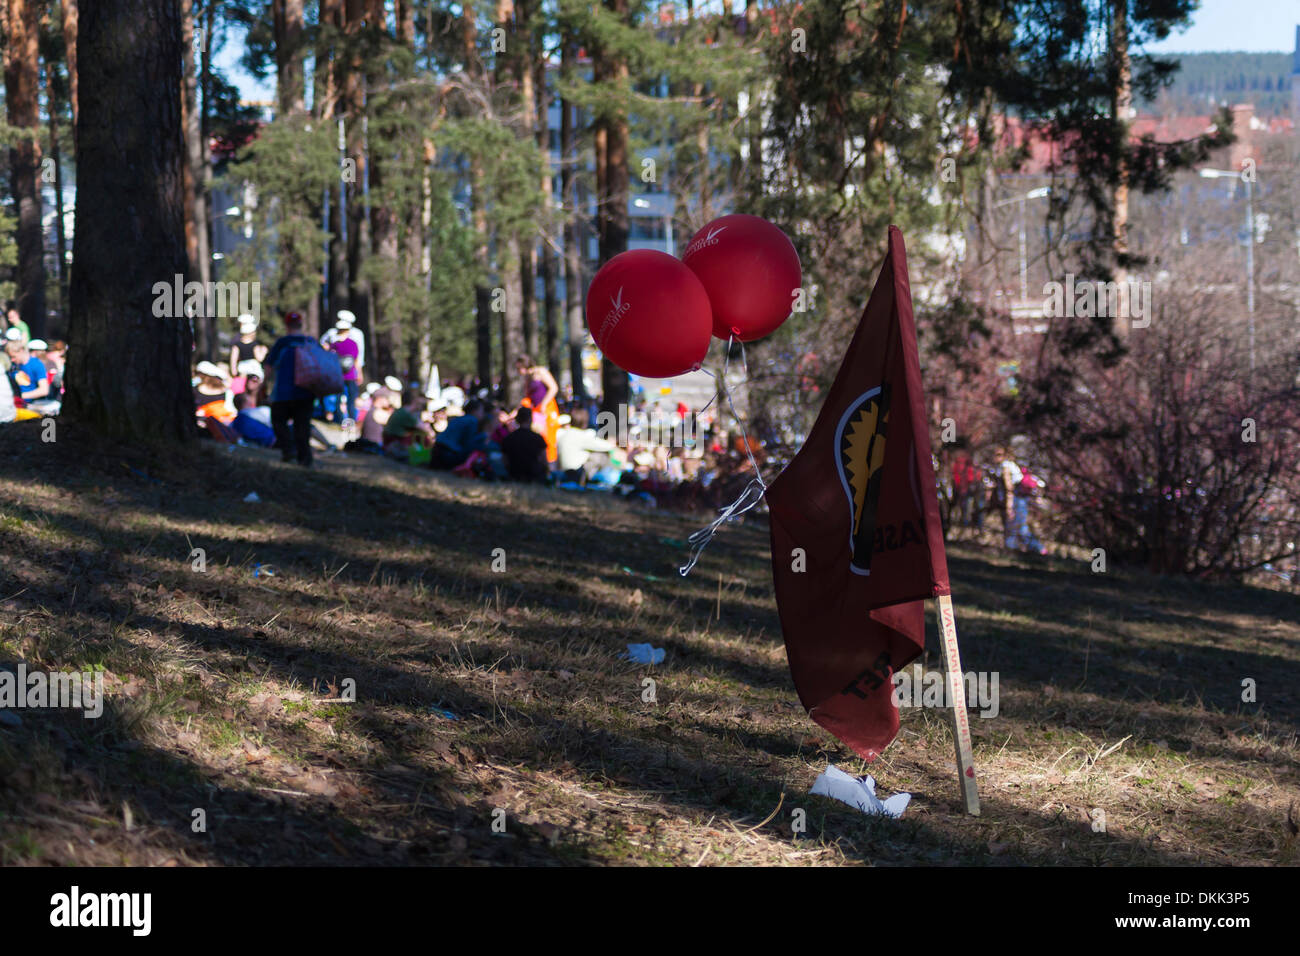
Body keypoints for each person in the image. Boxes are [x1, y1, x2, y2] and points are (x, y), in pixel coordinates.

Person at [265, 311, 318, 466]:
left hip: (284, 392)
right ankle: (305, 458)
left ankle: (289, 452)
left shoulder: (282, 343)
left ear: (287, 325)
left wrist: (264, 385)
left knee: (278, 421)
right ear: (301, 324)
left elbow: (269, 366)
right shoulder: (310, 342)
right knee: (303, 426)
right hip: (306, 392)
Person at [995, 445, 1044, 554]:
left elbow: (1009, 488)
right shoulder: (1012, 465)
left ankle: (1037, 548)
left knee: (1018, 527)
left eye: (999, 455)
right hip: (1020, 498)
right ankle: (1013, 549)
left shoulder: (1006, 467)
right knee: (1014, 526)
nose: (996, 457)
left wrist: (1009, 505)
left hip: (1016, 499)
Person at [516, 355, 560, 464]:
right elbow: (528, 397)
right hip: (536, 412)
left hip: (547, 409)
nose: (518, 371)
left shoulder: (541, 371)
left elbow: (554, 388)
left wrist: (544, 404)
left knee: (549, 437)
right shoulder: (527, 378)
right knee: (539, 436)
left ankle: (551, 462)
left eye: (518, 368)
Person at [556, 407, 614, 485]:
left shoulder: (564, 434)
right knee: (600, 456)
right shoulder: (581, 436)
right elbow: (608, 446)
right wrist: (611, 441)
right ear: (585, 422)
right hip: (576, 473)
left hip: (562, 472)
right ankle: (589, 481)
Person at [432, 398, 494, 470]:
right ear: (474, 411)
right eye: (481, 411)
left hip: (437, 451)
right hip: (448, 454)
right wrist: (484, 436)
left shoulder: (459, 418)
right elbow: (468, 444)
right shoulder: (472, 420)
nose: (483, 414)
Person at [500, 405, 549, 482]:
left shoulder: (509, 438)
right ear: (530, 419)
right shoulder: (537, 438)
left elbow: (504, 461)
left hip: (514, 475)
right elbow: (544, 460)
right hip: (534, 477)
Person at [5, 339, 56, 414]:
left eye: (13, 356)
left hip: (31, 405)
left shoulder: (36, 364)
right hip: (13, 405)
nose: (12, 360)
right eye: (10, 357)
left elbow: (44, 390)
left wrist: (20, 396)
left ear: (21, 351)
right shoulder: (12, 366)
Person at [382, 388, 434, 458]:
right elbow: (425, 430)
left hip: (390, 443)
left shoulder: (400, 411)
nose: (421, 406)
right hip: (395, 445)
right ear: (414, 402)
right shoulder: (406, 414)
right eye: (420, 403)